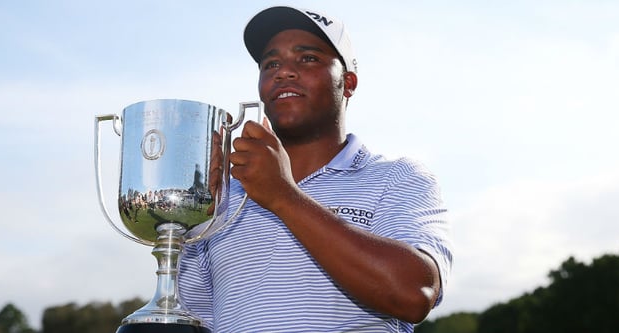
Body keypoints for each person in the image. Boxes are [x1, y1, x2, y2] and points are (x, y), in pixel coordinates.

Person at [179, 6, 453, 333]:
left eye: (307, 58)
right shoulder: (228, 196)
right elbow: (192, 319)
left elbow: (413, 294)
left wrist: (283, 196)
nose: (284, 72)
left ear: (348, 83)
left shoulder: (398, 177)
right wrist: (196, 216)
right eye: (271, 63)